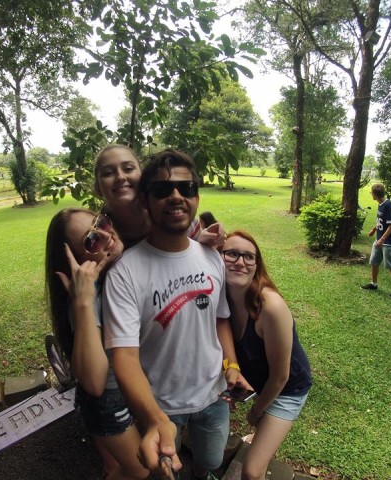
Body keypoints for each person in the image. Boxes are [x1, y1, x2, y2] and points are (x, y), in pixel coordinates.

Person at [102, 150, 251, 480]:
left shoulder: (211, 256)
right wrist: (155, 418)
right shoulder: (125, 272)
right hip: (160, 405)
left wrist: (232, 365)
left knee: (210, 459)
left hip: (214, 396)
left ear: (196, 197)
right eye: (161, 190)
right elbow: (124, 357)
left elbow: (220, 318)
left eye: (186, 188)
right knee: (165, 469)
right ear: (145, 200)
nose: (176, 196)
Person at [45, 208, 149, 480]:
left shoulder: (120, 267)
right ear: (79, 261)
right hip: (108, 402)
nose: (106, 235)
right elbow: (94, 383)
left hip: (127, 387)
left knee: (115, 466)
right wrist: (82, 302)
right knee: (139, 470)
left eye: (101, 222)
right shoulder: (89, 297)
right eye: (91, 240)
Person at [220, 231, 312, 480]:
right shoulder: (222, 296)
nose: (240, 262)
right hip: (261, 381)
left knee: (252, 472)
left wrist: (257, 411)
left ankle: (262, 434)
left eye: (249, 257)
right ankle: (262, 436)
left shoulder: (270, 307)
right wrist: (231, 370)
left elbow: (281, 376)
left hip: (288, 389)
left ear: (257, 265)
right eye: (232, 254)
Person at [93, 144, 223, 248]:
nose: (120, 177)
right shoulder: (97, 233)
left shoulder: (169, 212)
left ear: (143, 176)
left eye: (128, 169)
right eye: (108, 173)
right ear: (98, 187)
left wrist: (203, 241)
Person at [361, 183, 391, 298]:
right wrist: (374, 229)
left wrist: (382, 239)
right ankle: (373, 284)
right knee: (374, 262)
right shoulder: (380, 204)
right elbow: (380, 220)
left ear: (374, 194)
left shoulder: (388, 205)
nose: (371, 194)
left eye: (371, 193)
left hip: (388, 242)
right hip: (379, 240)